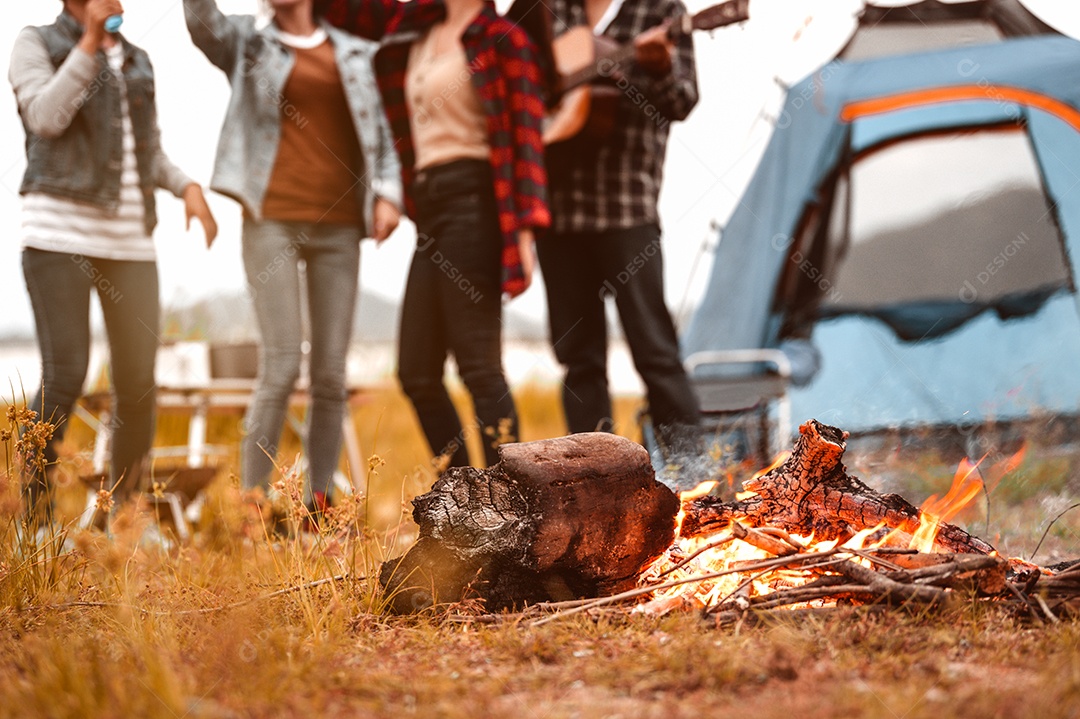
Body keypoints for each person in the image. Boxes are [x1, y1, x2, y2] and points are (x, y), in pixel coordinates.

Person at [183, 0, 403, 518]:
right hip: (272, 217)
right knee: (280, 364)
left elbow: (385, 136)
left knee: (329, 373)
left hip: (341, 225)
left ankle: (319, 506)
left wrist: (389, 194)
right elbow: (201, 22)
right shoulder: (249, 42)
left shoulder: (355, 53)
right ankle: (253, 510)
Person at [315, 0, 550, 471]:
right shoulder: (412, 26)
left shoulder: (503, 39)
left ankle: (514, 499)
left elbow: (527, 139)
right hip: (429, 206)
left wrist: (525, 233)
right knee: (417, 372)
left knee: (478, 367)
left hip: (475, 201)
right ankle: (466, 498)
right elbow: (337, 9)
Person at [9, 0, 218, 529]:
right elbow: (45, 117)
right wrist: (88, 44)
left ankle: (125, 521)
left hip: (130, 242)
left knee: (137, 382)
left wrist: (186, 186)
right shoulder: (37, 43)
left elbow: (146, 153)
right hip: (58, 236)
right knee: (65, 375)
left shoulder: (139, 59)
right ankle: (30, 523)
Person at [538, 0, 701, 451]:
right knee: (578, 362)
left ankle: (693, 482)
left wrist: (662, 66)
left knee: (656, 354)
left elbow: (682, 100)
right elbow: (519, 79)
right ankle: (595, 485)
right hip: (558, 214)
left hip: (627, 210)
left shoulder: (662, 10)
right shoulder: (550, 9)